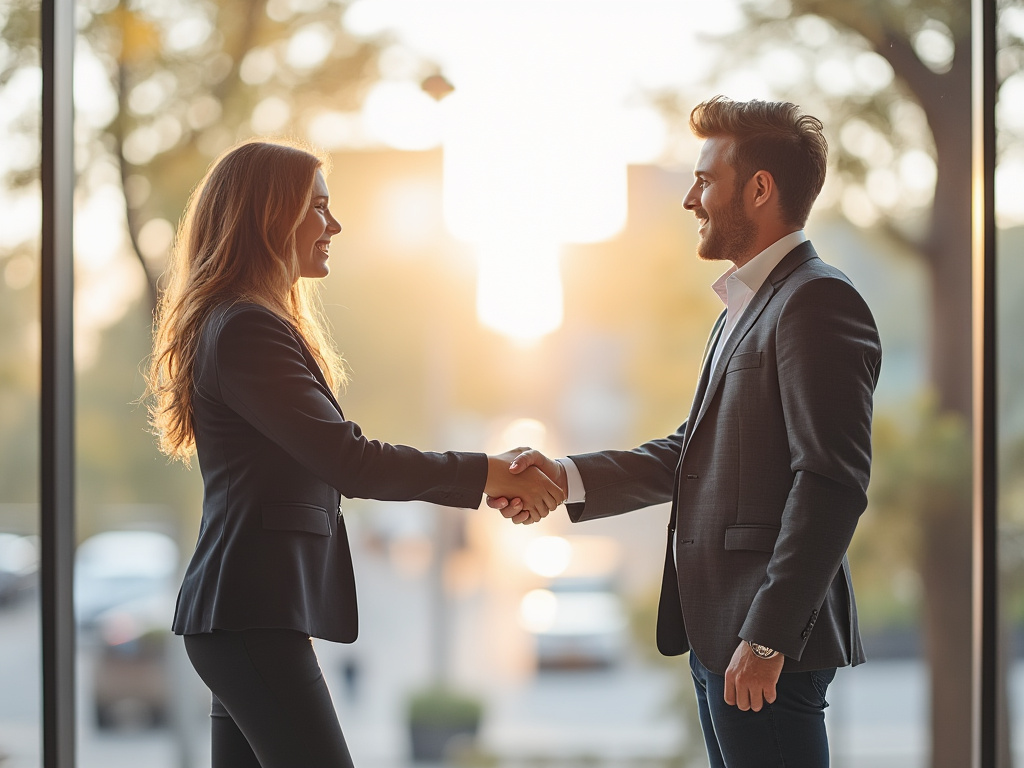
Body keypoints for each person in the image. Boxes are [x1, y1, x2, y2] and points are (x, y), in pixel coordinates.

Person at [146, 139, 564, 768]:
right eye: (318, 208)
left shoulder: (249, 323)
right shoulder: (247, 330)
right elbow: (350, 461)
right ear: (271, 218)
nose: (333, 225)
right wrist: (487, 473)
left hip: (244, 619)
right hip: (248, 618)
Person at [492, 96, 882, 767]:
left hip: (763, 645)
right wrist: (566, 478)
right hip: (723, 634)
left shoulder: (817, 300)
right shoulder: (746, 304)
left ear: (759, 189)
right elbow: (693, 453)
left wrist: (767, 639)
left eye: (705, 180)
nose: (689, 200)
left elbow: (832, 482)